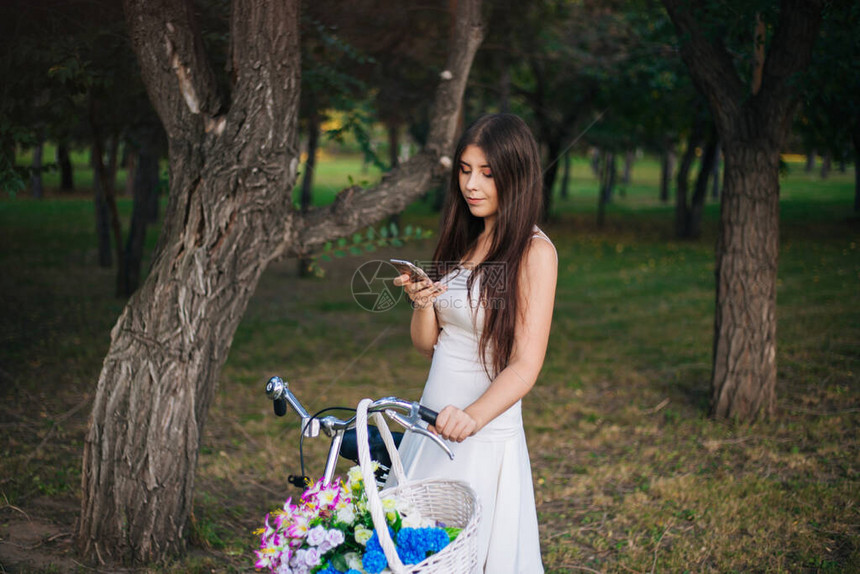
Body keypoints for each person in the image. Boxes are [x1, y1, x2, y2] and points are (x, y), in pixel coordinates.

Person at [390, 113, 557, 573]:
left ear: (516, 175)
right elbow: (430, 347)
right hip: (431, 418)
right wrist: (423, 303)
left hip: (481, 429)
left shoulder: (534, 252)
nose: (472, 184)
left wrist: (472, 417)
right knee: (417, 549)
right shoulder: (464, 239)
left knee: (470, 554)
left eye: (487, 172)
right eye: (465, 170)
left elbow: (525, 365)